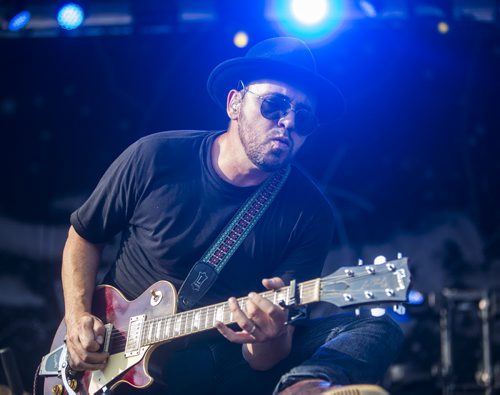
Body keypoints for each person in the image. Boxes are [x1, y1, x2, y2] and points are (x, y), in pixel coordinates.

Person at [61, 37, 403, 395]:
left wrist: (268, 337)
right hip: (115, 358)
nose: (288, 121)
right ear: (234, 103)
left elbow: (264, 359)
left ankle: (304, 388)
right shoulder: (155, 156)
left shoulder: (310, 212)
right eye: (274, 105)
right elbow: (83, 235)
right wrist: (77, 319)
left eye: (304, 117)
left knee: (378, 329)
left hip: (217, 364)